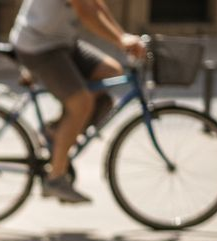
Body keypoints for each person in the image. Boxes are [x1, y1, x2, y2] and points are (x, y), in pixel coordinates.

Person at [9, 0, 147, 204]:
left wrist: (122, 35)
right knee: (82, 104)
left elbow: (96, 5)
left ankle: (58, 130)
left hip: (62, 42)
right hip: (39, 46)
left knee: (111, 72)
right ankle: (55, 178)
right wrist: (120, 40)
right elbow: (86, 14)